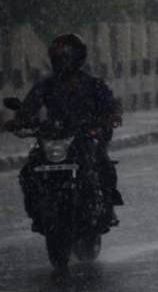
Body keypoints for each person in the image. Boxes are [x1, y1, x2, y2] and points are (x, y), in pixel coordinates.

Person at [4, 33, 123, 225]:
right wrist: (19, 120)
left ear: (79, 57)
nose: (63, 60)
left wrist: (112, 115)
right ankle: (37, 211)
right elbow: (30, 107)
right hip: (54, 135)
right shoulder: (46, 85)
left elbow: (110, 104)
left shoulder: (92, 84)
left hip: (83, 135)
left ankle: (107, 207)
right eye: (59, 55)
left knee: (103, 163)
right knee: (29, 170)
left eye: (67, 55)